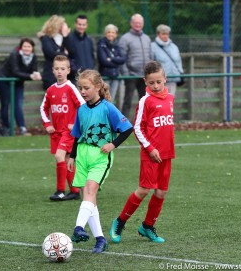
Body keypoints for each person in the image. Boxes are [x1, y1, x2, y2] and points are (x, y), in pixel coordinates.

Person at [109, 61, 175, 244]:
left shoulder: (170, 99)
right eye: (151, 82)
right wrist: (150, 148)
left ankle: (147, 226)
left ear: (165, 79)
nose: (155, 86)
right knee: (144, 189)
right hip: (150, 154)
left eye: (158, 82)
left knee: (161, 193)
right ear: (145, 81)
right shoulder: (145, 101)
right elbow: (137, 128)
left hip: (167, 154)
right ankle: (120, 221)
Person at [68, 69, 133, 254]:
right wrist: (72, 156)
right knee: (89, 199)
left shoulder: (107, 107)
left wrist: (113, 144)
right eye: (80, 88)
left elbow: (127, 128)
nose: (82, 91)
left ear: (97, 87)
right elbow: (77, 135)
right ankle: (100, 239)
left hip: (100, 157)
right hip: (82, 155)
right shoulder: (81, 109)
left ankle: (78, 228)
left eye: (86, 88)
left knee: (89, 191)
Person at [40, 55, 85, 201]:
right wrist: (48, 124)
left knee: (59, 156)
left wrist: (76, 125)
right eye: (57, 68)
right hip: (56, 132)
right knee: (66, 159)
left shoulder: (71, 88)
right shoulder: (51, 90)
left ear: (68, 70)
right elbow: (43, 108)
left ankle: (60, 191)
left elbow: (83, 107)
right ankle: (74, 190)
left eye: (63, 69)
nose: (60, 71)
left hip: (68, 132)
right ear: (53, 70)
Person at [0, 38, 41, 135]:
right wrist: (30, 76)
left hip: (18, 83)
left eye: (29, 46)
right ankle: (6, 128)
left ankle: (22, 128)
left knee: (18, 104)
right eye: (24, 46)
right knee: (5, 104)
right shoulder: (14, 55)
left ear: (32, 48)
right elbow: (15, 71)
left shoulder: (34, 57)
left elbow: (34, 70)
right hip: (5, 80)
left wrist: (36, 74)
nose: (27, 48)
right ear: (21, 47)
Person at [119, 13, 153, 119]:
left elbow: (151, 56)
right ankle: (124, 125)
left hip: (144, 76)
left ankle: (144, 122)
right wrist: (126, 74)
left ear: (142, 24)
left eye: (140, 23)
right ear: (131, 24)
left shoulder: (147, 38)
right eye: (135, 23)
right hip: (131, 76)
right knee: (127, 101)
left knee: (145, 101)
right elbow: (121, 58)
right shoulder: (125, 39)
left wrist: (150, 73)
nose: (138, 25)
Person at [37, 15, 71, 90]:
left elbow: (71, 52)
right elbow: (51, 53)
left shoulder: (63, 39)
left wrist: (65, 36)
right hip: (50, 76)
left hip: (62, 77)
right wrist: (65, 54)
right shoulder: (46, 38)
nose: (64, 27)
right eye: (62, 25)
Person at [97, 24, 126, 103]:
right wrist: (117, 61)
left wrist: (111, 59)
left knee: (112, 99)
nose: (111, 34)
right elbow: (104, 61)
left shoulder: (117, 45)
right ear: (105, 33)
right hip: (105, 76)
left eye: (113, 32)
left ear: (116, 34)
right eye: (108, 32)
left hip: (115, 75)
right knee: (104, 99)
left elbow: (123, 59)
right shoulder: (101, 44)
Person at [151, 24, 183, 96]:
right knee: (160, 102)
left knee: (170, 101)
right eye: (163, 34)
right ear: (158, 34)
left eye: (167, 34)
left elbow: (178, 61)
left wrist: (180, 72)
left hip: (173, 79)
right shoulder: (153, 47)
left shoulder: (174, 47)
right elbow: (151, 63)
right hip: (159, 81)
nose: (165, 36)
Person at [64, 15, 95, 83]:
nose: (81, 27)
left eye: (84, 24)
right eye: (79, 24)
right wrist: (75, 70)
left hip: (89, 76)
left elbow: (92, 56)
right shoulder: (69, 38)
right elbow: (68, 57)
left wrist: (91, 68)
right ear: (75, 24)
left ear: (86, 25)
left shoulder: (89, 39)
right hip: (75, 77)